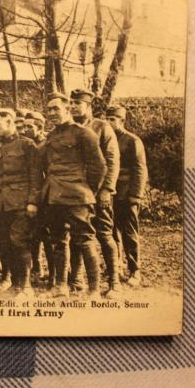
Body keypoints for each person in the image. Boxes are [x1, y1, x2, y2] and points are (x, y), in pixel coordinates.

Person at [40, 93, 106, 299]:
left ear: (68, 109)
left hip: (77, 195)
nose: (51, 113)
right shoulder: (51, 136)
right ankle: (61, 286)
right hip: (54, 196)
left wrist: (87, 191)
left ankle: (93, 289)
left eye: (56, 109)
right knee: (59, 240)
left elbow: (99, 166)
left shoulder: (83, 134)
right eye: (49, 110)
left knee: (84, 240)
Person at [0, 109, 41, 297]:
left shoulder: (27, 145)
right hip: (1, 204)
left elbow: (35, 176)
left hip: (21, 203)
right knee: (6, 243)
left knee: (20, 242)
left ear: (9, 122)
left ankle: (25, 288)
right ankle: (15, 285)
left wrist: (32, 201)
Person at [69, 89, 122, 298]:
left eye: (77, 103)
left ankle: (114, 282)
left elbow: (112, 160)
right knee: (77, 235)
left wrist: (107, 190)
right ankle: (77, 280)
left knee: (104, 234)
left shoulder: (102, 127)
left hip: (98, 191)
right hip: (76, 192)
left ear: (88, 106)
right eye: (71, 103)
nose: (73, 107)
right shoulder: (70, 128)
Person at [106, 105, 148, 287]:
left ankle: (135, 270)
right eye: (107, 118)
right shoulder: (106, 140)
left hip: (127, 193)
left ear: (122, 121)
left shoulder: (132, 140)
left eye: (112, 119)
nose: (109, 122)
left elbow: (140, 169)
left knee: (130, 232)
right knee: (111, 231)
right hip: (109, 193)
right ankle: (117, 267)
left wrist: (136, 195)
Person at [24, 111, 53, 285]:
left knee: (48, 236)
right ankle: (37, 267)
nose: (26, 129)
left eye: (30, 126)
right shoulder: (25, 144)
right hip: (31, 194)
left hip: (47, 195)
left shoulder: (47, 144)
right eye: (24, 126)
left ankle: (54, 273)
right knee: (32, 234)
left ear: (40, 127)